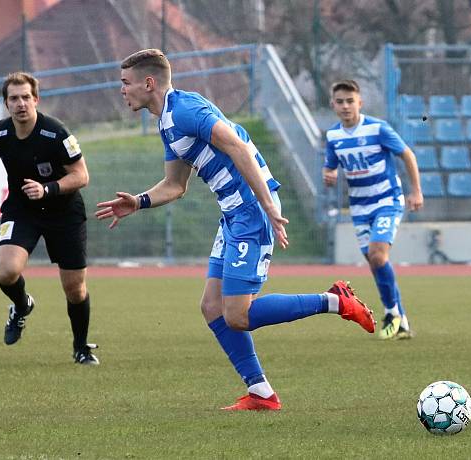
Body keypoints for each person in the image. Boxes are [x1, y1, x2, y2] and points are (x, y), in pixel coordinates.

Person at [97, 49, 376, 411]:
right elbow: (175, 185)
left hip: (251, 211)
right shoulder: (167, 119)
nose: (122, 90)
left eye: (126, 83)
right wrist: (138, 201)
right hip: (232, 215)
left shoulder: (185, 110)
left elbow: (238, 146)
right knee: (212, 307)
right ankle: (261, 392)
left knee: (238, 315)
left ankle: (336, 301)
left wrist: (269, 206)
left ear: (148, 83)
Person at [0, 72, 98, 365]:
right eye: (14, 98)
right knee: (6, 272)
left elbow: (82, 175)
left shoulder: (56, 133)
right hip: (22, 210)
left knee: (75, 289)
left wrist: (47, 189)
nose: (20, 103)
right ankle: (22, 306)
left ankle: (81, 347)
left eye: (26, 97)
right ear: (6, 104)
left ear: (36, 100)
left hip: (64, 213)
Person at [323, 79, 423, 340]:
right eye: (340, 102)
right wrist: (329, 174)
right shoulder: (333, 136)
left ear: (360, 102)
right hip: (359, 206)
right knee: (376, 263)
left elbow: (407, 154)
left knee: (377, 256)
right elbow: (330, 166)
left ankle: (391, 313)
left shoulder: (378, 128)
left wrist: (416, 191)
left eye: (350, 101)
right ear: (333, 105)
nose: (345, 106)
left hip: (387, 200)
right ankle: (401, 320)